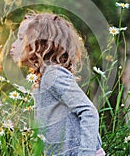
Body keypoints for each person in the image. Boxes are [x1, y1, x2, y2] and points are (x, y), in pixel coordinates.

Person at [10, 12, 105, 156]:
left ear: (41, 44)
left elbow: (89, 111)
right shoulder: (42, 78)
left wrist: (86, 153)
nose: (13, 45)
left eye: (21, 38)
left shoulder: (53, 74)